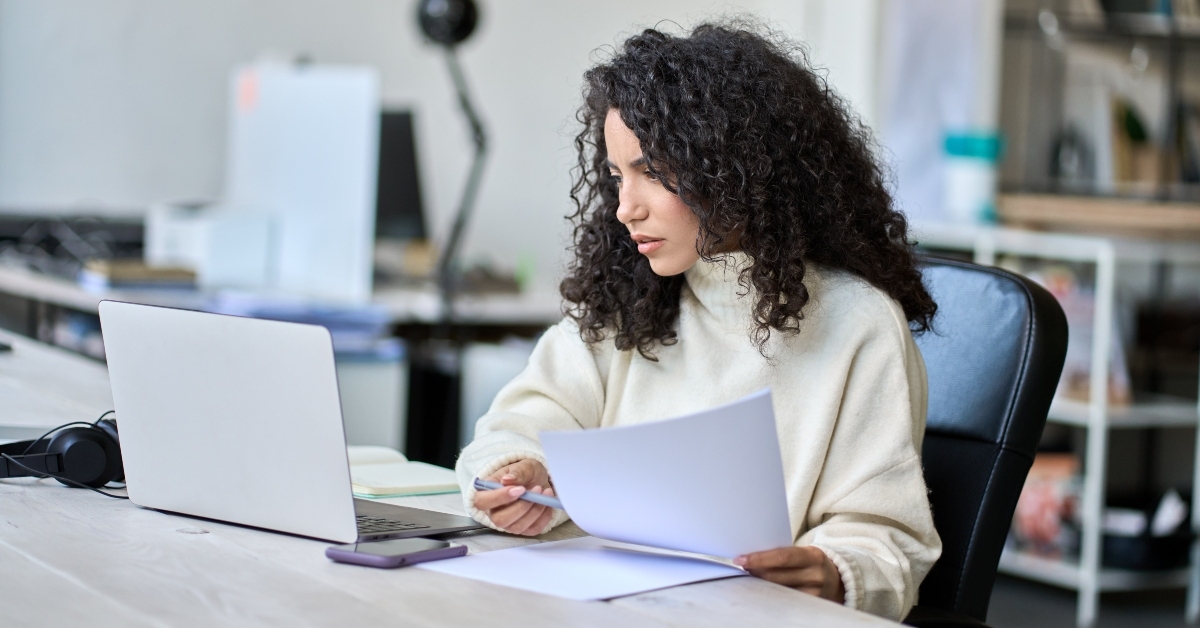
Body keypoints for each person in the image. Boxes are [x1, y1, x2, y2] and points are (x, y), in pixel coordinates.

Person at [456, 21, 942, 621]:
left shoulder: (858, 324)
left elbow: (885, 538)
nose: (625, 208)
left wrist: (839, 572)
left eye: (654, 172)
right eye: (615, 177)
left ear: (738, 167)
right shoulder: (630, 299)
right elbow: (519, 424)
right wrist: (514, 473)